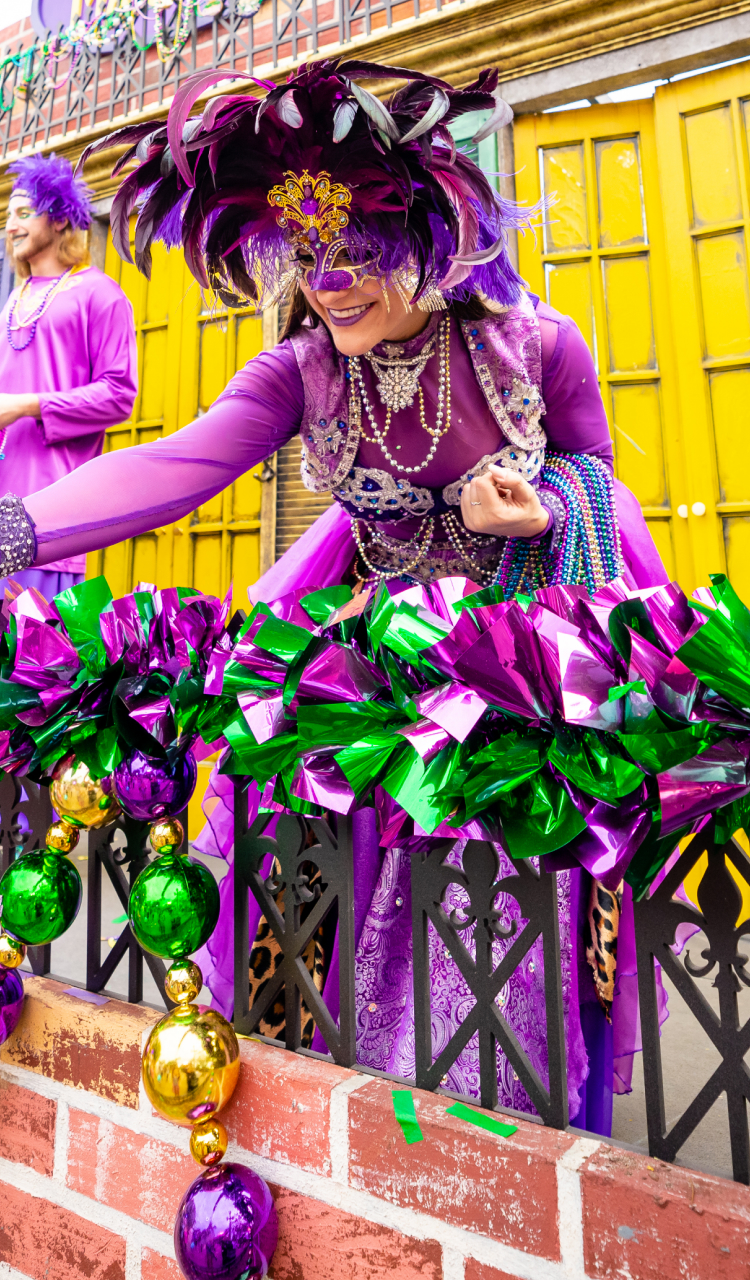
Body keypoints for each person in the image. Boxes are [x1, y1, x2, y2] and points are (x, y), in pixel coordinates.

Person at [0, 61, 669, 1133]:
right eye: (307, 255)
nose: (331, 280)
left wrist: (540, 511)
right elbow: (172, 466)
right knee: (315, 937)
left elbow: (604, 492)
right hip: (365, 680)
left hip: (510, 698)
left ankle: (481, 1164)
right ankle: (329, 1140)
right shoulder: (302, 372)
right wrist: (15, 531)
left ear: (426, 238)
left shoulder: (533, 346)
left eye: (359, 253)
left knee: (487, 976)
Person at [0, 154, 137, 601]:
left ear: (59, 220)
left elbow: (118, 395)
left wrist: (25, 406)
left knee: (29, 659)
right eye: (8, 217)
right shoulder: (11, 301)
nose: (12, 226)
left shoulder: (98, 293)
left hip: (47, 512)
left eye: (24, 213)